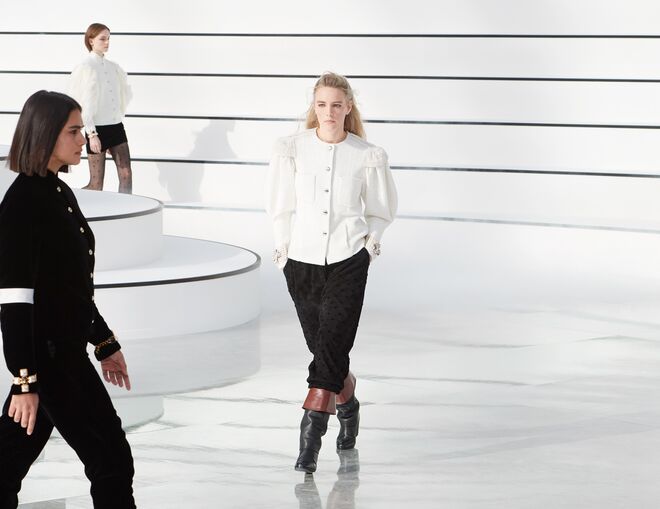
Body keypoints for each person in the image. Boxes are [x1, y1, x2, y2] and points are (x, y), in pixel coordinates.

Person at [0, 90, 136, 508]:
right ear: (45, 134)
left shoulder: (58, 192)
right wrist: (24, 382)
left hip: (62, 353)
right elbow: (14, 302)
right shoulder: (23, 203)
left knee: (4, 466)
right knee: (111, 460)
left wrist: (104, 341)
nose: (85, 141)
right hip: (51, 361)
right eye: (74, 131)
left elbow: (69, 287)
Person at [267, 72, 397, 473]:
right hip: (300, 261)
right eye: (322, 104)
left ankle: (309, 447)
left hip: (348, 259)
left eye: (337, 105)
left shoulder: (368, 154)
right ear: (314, 106)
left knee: (328, 353)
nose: (329, 112)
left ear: (348, 107)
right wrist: (283, 253)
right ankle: (349, 401)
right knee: (324, 349)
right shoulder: (290, 149)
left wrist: (368, 249)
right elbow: (280, 206)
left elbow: (380, 210)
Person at [69, 23, 133, 193]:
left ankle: (125, 207)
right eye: (102, 39)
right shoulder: (85, 67)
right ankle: (71, 200)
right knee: (96, 184)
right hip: (96, 130)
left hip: (116, 126)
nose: (107, 43)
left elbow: (118, 99)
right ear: (91, 41)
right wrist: (91, 134)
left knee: (126, 174)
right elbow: (82, 104)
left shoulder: (113, 67)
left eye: (108, 39)